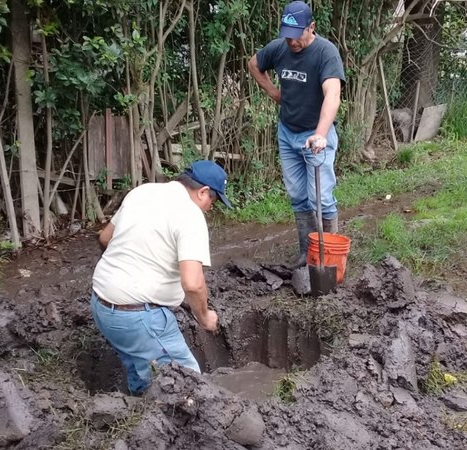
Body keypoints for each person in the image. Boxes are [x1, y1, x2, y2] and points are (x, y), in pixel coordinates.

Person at [91, 160, 231, 396]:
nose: (210, 208)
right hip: (138, 318)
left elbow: (105, 239)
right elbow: (193, 283)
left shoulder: (142, 192)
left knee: (142, 371)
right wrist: (205, 317)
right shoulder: (190, 215)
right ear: (203, 192)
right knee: (190, 385)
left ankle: (143, 415)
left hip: (101, 306)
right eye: (213, 202)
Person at [248, 0, 345, 267]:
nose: (291, 42)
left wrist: (321, 133)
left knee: (321, 198)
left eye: (296, 36)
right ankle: (306, 254)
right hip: (287, 132)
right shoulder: (279, 48)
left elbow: (333, 95)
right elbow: (254, 63)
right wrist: (273, 92)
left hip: (315, 135)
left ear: (311, 27)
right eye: (287, 36)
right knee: (298, 197)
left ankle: (329, 259)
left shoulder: (326, 53)